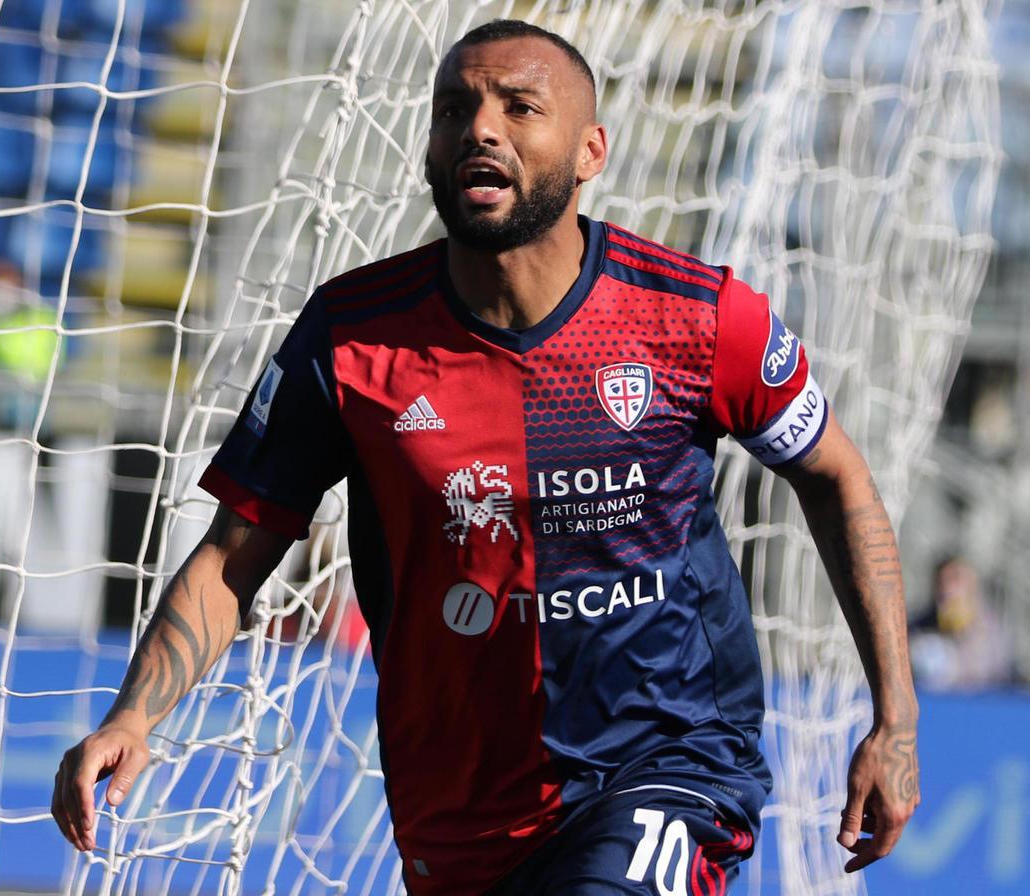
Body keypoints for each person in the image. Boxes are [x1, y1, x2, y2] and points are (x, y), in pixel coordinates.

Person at [51, 20, 919, 894]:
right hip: (459, 801)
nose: (481, 128)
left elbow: (836, 477)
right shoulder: (351, 336)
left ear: (589, 153)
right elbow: (235, 553)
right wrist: (135, 713)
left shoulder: (698, 317)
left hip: (670, 761)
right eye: (456, 107)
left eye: (519, 106)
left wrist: (896, 718)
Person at [910, 555, 1014, 690]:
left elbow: (998, 680)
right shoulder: (917, 629)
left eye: (956, 580)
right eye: (942, 582)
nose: (948, 589)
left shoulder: (993, 633)